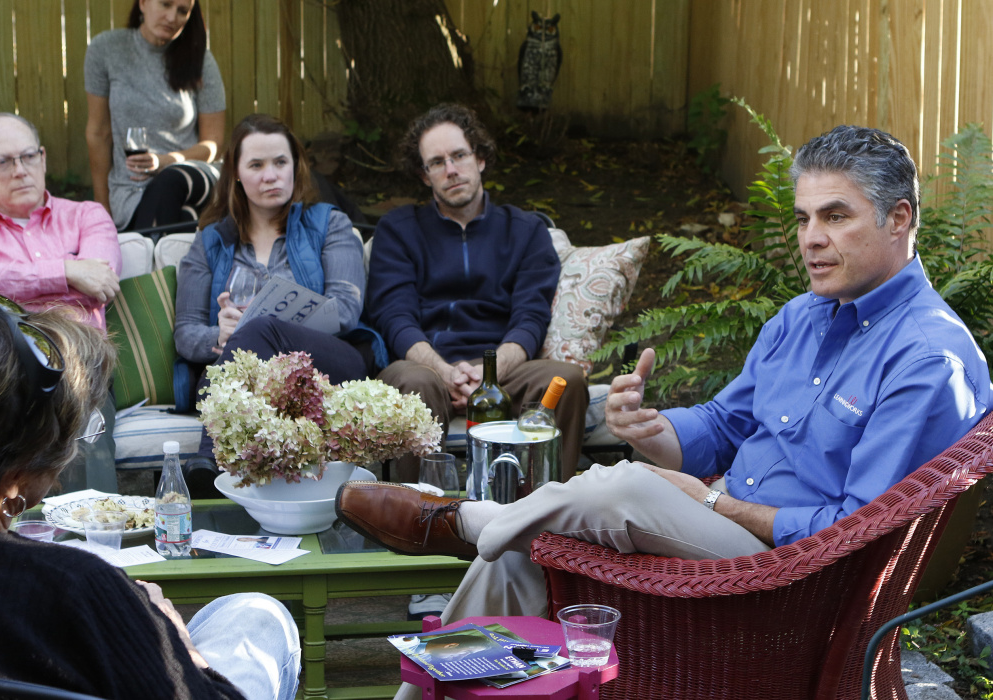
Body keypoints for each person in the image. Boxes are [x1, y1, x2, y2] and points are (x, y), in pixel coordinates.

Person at [337, 125, 992, 698]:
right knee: (515, 552)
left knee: (619, 486)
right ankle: (439, 650)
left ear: (898, 219)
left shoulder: (926, 358)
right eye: (800, 219)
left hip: (788, 587)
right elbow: (724, 426)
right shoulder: (802, 317)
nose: (810, 240)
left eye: (834, 217)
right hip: (724, 540)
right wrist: (649, 429)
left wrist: (712, 506)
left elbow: (851, 535)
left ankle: (466, 518)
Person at [0, 301, 301, 699]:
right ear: (18, 475)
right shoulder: (81, 589)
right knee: (263, 615)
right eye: (74, 435)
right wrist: (175, 642)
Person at [367, 103, 588, 483]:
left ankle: (545, 516)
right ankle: (418, 521)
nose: (451, 170)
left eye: (459, 156)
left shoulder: (527, 231)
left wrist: (489, 377)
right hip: (426, 367)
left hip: (505, 369)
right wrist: (446, 372)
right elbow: (394, 317)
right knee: (413, 383)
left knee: (566, 380)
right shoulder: (399, 230)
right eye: (437, 162)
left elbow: (530, 317)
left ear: (481, 158)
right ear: (424, 176)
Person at [174, 113, 370, 496]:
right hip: (247, 380)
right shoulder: (210, 243)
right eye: (257, 165)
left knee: (259, 328)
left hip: (329, 368)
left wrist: (259, 328)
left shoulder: (329, 224)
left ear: (296, 167)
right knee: (249, 340)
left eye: (281, 162)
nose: (271, 175)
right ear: (235, 174)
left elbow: (346, 310)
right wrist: (221, 334)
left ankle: (209, 460)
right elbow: (185, 333)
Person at [0, 112, 121, 493]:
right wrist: (68, 271)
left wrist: (20, 288)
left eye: (28, 157)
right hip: (5, 365)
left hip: (81, 360)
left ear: (44, 158)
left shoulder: (87, 215)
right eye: (2, 161)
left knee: (76, 398)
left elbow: (102, 279)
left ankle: (91, 535)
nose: (20, 170)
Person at [84, 0, 225, 232]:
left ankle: (149, 260)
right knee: (183, 216)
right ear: (143, 3)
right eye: (165, 4)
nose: (172, 17)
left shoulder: (201, 60)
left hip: (194, 176)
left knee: (170, 180)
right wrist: (102, 211)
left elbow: (214, 145)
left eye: (182, 11)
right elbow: (98, 133)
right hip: (132, 191)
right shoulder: (106, 50)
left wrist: (164, 162)